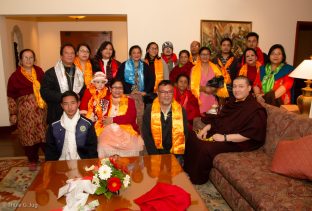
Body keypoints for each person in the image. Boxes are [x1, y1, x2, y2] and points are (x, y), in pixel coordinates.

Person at [184, 76, 267, 184]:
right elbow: (220, 119)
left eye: (241, 86)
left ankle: (196, 179)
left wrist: (224, 138)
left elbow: (251, 133)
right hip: (223, 132)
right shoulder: (233, 102)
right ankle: (187, 170)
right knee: (191, 135)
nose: (237, 90)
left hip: (238, 141)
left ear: (249, 88)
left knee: (205, 147)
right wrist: (205, 129)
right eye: (235, 86)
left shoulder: (255, 109)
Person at [7, 49, 47, 170]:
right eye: (25, 57)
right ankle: (32, 159)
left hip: (41, 112)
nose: (28, 60)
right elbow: (11, 97)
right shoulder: (15, 76)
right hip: (25, 114)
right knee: (29, 136)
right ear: (20, 60)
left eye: (31, 57)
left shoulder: (39, 72)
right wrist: (13, 113)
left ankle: (49, 158)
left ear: (34, 59)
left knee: (43, 135)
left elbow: (45, 89)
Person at [142, 80, 188, 164]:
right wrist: (155, 156)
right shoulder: (149, 111)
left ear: (173, 93)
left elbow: (184, 134)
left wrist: (175, 156)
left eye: (169, 92)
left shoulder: (181, 111)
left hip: (175, 154)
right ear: (158, 93)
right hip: (155, 153)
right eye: (163, 92)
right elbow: (147, 136)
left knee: (176, 175)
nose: (166, 95)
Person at [45, 91, 98, 161]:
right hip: (60, 161)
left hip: (81, 161)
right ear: (61, 105)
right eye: (65, 104)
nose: (70, 107)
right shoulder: (54, 125)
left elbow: (92, 148)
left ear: (78, 103)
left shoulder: (87, 124)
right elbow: (50, 150)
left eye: (73, 103)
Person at [97, 79, 144, 157]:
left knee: (132, 146)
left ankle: (127, 169)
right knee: (103, 145)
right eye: (115, 88)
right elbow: (101, 116)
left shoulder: (129, 101)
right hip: (108, 132)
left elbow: (130, 118)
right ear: (110, 89)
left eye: (120, 88)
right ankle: (106, 168)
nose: (117, 90)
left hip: (127, 131)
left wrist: (112, 119)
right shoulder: (104, 100)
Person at [40, 43, 85, 125]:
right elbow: (45, 92)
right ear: (61, 56)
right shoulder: (51, 73)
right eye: (66, 53)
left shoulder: (79, 73)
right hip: (57, 112)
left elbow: (83, 90)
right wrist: (64, 97)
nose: (70, 55)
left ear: (75, 56)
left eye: (72, 53)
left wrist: (78, 96)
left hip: (76, 112)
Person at [190, 47, 228, 114]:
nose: (205, 56)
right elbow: (192, 87)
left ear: (210, 56)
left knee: (213, 122)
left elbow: (221, 85)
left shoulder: (215, 68)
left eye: (207, 54)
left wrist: (214, 89)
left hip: (213, 100)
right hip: (199, 101)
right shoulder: (194, 69)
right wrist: (205, 88)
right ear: (199, 55)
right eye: (203, 54)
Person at [80, 71, 110, 136]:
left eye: (102, 82)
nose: (100, 84)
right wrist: (87, 114)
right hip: (89, 114)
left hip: (101, 116)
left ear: (105, 83)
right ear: (94, 83)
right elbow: (84, 103)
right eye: (98, 82)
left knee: (102, 130)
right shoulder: (88, 91)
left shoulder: (107, 92)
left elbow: (108, 105)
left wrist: (104, 116)